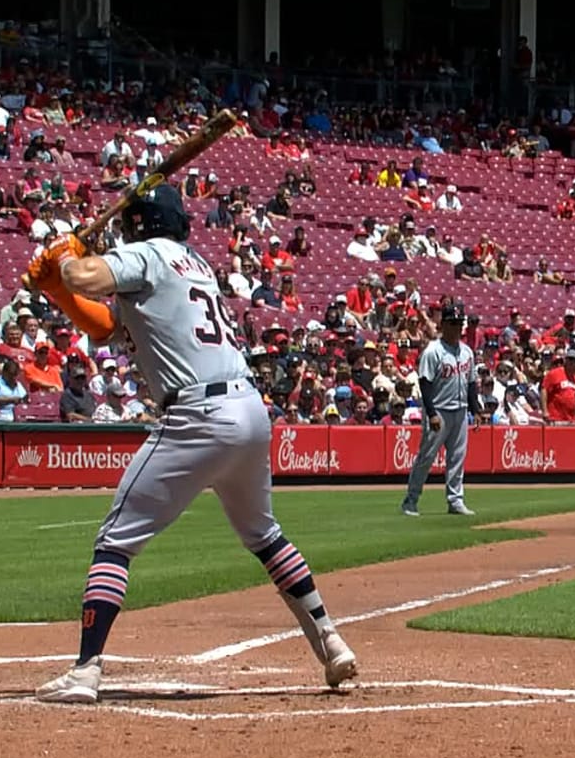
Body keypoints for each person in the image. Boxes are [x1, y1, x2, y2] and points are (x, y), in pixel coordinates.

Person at [23, 183, 357, 704]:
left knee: (115, 541)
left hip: (195, 413)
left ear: (143, 223)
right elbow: (110, 327)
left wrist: (67, 255)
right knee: (265, 535)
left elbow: (87, 275)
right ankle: (331, 642)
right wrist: (58, 292)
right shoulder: (193, 263)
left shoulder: (147, 253)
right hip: (247, 409)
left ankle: (86, 670)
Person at [401, 302, 481, 517]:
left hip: (460, 411)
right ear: (443, 324)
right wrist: (432, 413)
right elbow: (425, 384)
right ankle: (411, 500)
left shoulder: (467, 352)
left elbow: (471, 382)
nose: (456, 327)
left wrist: (477, 409)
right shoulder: (433, 351)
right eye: (452, 323)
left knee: (457, 458)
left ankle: (455, 500)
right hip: (440, 412)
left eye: (459, 323)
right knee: (426, 457)